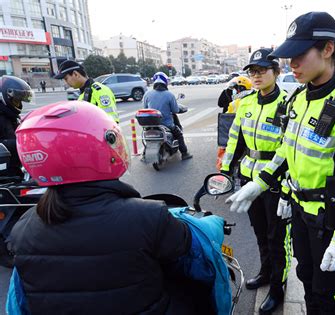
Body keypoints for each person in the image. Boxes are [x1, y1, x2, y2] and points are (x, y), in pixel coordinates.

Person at [225, 12, 335, 314]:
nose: (291, 64)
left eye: (299, 55)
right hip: (300, 214)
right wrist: (259, 185)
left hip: (331, 222)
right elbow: (286, 152)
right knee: (308, 283)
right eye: (289, 57)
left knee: (329, 297)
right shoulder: (298, 100)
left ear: (328, 50)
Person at [6, 101, 227, 314]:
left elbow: (20, 300)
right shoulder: (149, 217)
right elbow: (200, 263)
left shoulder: (24, 226)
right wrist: (214, 222)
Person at [221, 48, 291, 314]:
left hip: (275, 180)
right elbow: (235, 138)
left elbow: (288, 148)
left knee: (277, 237)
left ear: (276, 72)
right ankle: (265, 272)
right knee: (260, 232)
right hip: (248, 175)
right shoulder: (246, 102)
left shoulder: (287, 103)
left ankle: (277, 288)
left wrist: (265, 177)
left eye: (263, 70)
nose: (257, 75)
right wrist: (226, 169)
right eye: (253, 71)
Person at [143, 72, 193, 160]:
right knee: (179, 134)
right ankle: (184, 154)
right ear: (165, 83)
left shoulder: (147, 94)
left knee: (148, 137)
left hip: (151, 124)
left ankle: (144, 155)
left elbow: (145, 108)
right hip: (166, 124)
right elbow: (175, 110)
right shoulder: (169, 95)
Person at [54, 60, 119, 124]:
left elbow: (111, 122)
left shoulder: (100, 90)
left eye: (66, 79)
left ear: (75, 74)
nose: (66, 82)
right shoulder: (82, 94)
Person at [216, 75, 253, 170]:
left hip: (235, 138)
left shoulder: (235, 103)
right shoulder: (255, 99)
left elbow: (227, 119)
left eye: (235, 89)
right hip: (251, 139)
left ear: (240, 89)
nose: (234, 91)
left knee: (223, 154)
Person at [0, 76, 34, 178]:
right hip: (6, 174)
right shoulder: (2, 116)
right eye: (16, 101)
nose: (19, 104)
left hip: (16, 168)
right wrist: (23, 143)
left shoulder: (8, 114)